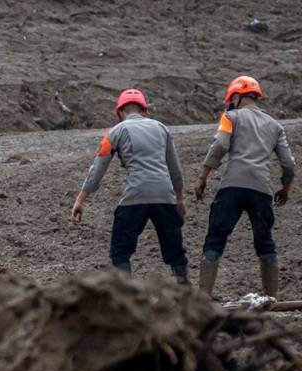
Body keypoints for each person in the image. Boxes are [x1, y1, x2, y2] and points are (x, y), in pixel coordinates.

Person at [69, 89, 188, 283]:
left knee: (120, 251)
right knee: (175, 252)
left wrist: (80, 200)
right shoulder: (162, 128)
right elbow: (175, 169)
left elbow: (97, 169)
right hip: (165, 197)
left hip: (135, 196)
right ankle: (184, 290)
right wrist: (180, 199)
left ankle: (126, 294)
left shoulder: (115, 132)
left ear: (120, 112)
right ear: (144, 110)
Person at [195, 76, 296, 298]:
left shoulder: (230, 116)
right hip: (261, 189)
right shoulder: (275, 126)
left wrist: (203, 176)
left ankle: (203, 298)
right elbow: (288, 164)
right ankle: (271, 297)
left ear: (237, 97)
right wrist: (285, 189)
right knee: (265, 242)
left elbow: (220, 145)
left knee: (215, 239)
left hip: (231, 185)